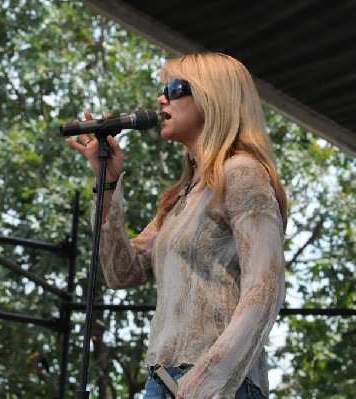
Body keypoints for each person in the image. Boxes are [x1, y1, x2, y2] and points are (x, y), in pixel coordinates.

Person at [65, 53, 287, 398]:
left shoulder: (241, 172)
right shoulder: (183, 195)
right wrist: (106, 183)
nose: (161, 98)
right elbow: (121, 273)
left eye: (174, 87)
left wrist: (201, 384)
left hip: (217, 386)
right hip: (167, 381)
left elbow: (265, 289)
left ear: (212, 96)